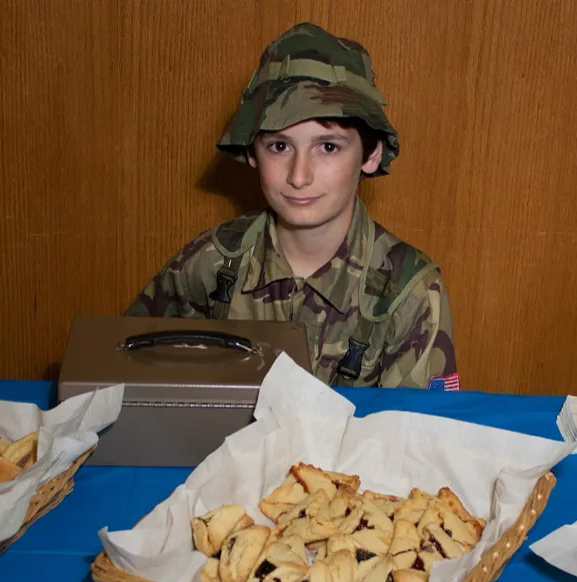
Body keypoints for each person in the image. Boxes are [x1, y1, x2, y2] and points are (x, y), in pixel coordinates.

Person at [126, 23, 458, 390]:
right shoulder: (210, 262)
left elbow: (417, 438)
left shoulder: (408, 294)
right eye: (279, 147)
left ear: (371, 153)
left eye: (328, 147)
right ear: (252, 152)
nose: (299, 176)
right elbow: (126, 378)